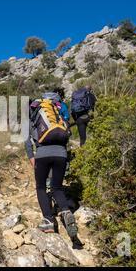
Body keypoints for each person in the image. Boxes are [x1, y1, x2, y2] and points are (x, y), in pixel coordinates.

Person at [25, 93, 79, 242]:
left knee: (41, 187)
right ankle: (66, 211)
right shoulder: (58, 112)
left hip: (42, 153)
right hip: (61, 153)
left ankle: (48, 221)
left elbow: (27, 140)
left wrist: (32, 158)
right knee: (57, 188)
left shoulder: (33, 114)